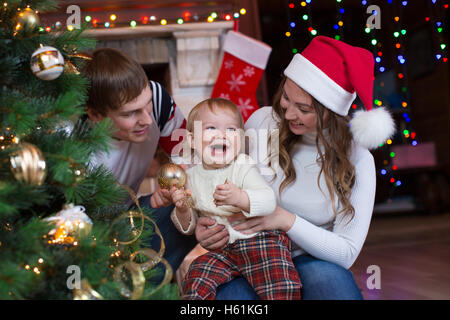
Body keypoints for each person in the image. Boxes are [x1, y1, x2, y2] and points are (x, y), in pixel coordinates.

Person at [195, 36, 395, 300]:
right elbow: (216, 177)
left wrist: (284, 219)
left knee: (334, 287)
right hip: (246, 255)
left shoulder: (358, 159)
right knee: (229, 298)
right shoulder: (261, 122)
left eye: (303, 109)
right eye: (286, 98)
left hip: (310, 260)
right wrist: (204, 225)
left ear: (331, 113)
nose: (288, 114)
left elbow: (346, 252)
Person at [169, 98, 301, 300]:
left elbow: (268, 201)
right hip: (223, 251)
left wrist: (240, 198)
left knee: (279, 284)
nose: (222, 135)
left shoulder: (242, 166)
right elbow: (189, 226)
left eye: (231, 130)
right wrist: (182, 210)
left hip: (258, 241)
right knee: (196, 275)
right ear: (192, 141)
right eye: (211, 128)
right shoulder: (191, 178)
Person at [82, 48, 197, 272]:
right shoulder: (71, 136)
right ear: (95, 115)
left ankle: (148, 285)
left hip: (130, 215)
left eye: (147, 104)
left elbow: (190, 158)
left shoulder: (158, 100)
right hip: (85, 233)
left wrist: (175, 190)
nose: (146, 119)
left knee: (191, 203)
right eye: (129, 113)